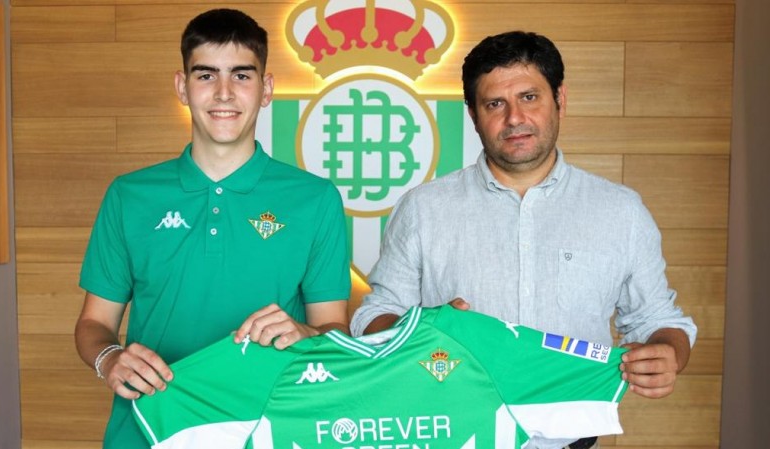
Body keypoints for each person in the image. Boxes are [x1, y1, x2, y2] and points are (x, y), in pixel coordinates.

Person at [350, 31, 696, 449]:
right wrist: (424, 328)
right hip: (452, 434)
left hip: (574, 438)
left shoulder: (621, 211)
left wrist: (667, 352)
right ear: (474, 116)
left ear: (560, 100)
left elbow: (659, 322)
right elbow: (374, 316)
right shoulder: (423, 209)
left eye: (530, 97)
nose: (514, 118)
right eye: (495, 104)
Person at [74, 9, 350, 449]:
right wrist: (110, 359)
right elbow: (93, 324)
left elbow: (336, 331)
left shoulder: (315, 199)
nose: (224, 93)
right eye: (206, 76)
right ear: (183, 88)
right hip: (150, 429)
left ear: (266, 89)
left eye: (242, 76)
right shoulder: (129, 195)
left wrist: (308, 334)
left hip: (271, 430)